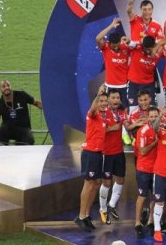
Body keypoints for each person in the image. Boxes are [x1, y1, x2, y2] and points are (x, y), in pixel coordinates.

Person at [74, 88, 108, 232]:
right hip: (90, 153)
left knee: (97, 183)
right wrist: (99, 94)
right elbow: (92, 108)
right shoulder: (92, 114)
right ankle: (81, 217)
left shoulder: (103, 117)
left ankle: (87, 214)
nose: (103, 103)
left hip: (98, 153)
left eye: (105, 101)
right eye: (101, 101)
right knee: (88, 184)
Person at [99, 89, 134, 225]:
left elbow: (127, 125)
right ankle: (102, 209)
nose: (115, 100)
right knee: (107, 182)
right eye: (113, 98)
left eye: (117, 98)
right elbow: (100, 130)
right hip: (106, 153)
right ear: (108, 100)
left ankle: (111, 205)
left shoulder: (121, 112)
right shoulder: (103, 113)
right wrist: (114, 128)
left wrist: (134, 125)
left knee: (120, 179)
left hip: (118, 152)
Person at [133, 106, 161, 238]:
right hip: (144, 169)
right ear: (147, 117)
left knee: (155, 197)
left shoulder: (161, 130)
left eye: (156, 116)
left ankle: (151, 221)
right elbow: (142, 151)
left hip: (157, 169)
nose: (154, 118)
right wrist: (154, 143)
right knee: (142, 196)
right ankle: (137, 223)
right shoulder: (143, 131)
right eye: (151, 116)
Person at [0, 80, 43, 145]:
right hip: (8, 129)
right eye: (3, 86)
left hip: (23, 128)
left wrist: (50, 108)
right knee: (1, 132)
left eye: (8, 85)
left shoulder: (21, 95)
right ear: (0, 89)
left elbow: (36, 103)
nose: (6, 87)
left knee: (29, 139)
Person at [96, 18, 131, 108]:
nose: (115, 48)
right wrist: (112, 25)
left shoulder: (125, 47)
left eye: (117, 45)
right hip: (110, 85)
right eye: (113, 46)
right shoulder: (106, 48)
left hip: (124, 86)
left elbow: (135, 45)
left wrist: (128, 40)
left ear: (119, 42)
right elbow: (98, 38)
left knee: (125, 110)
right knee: (109, 110)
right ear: (109, 43)